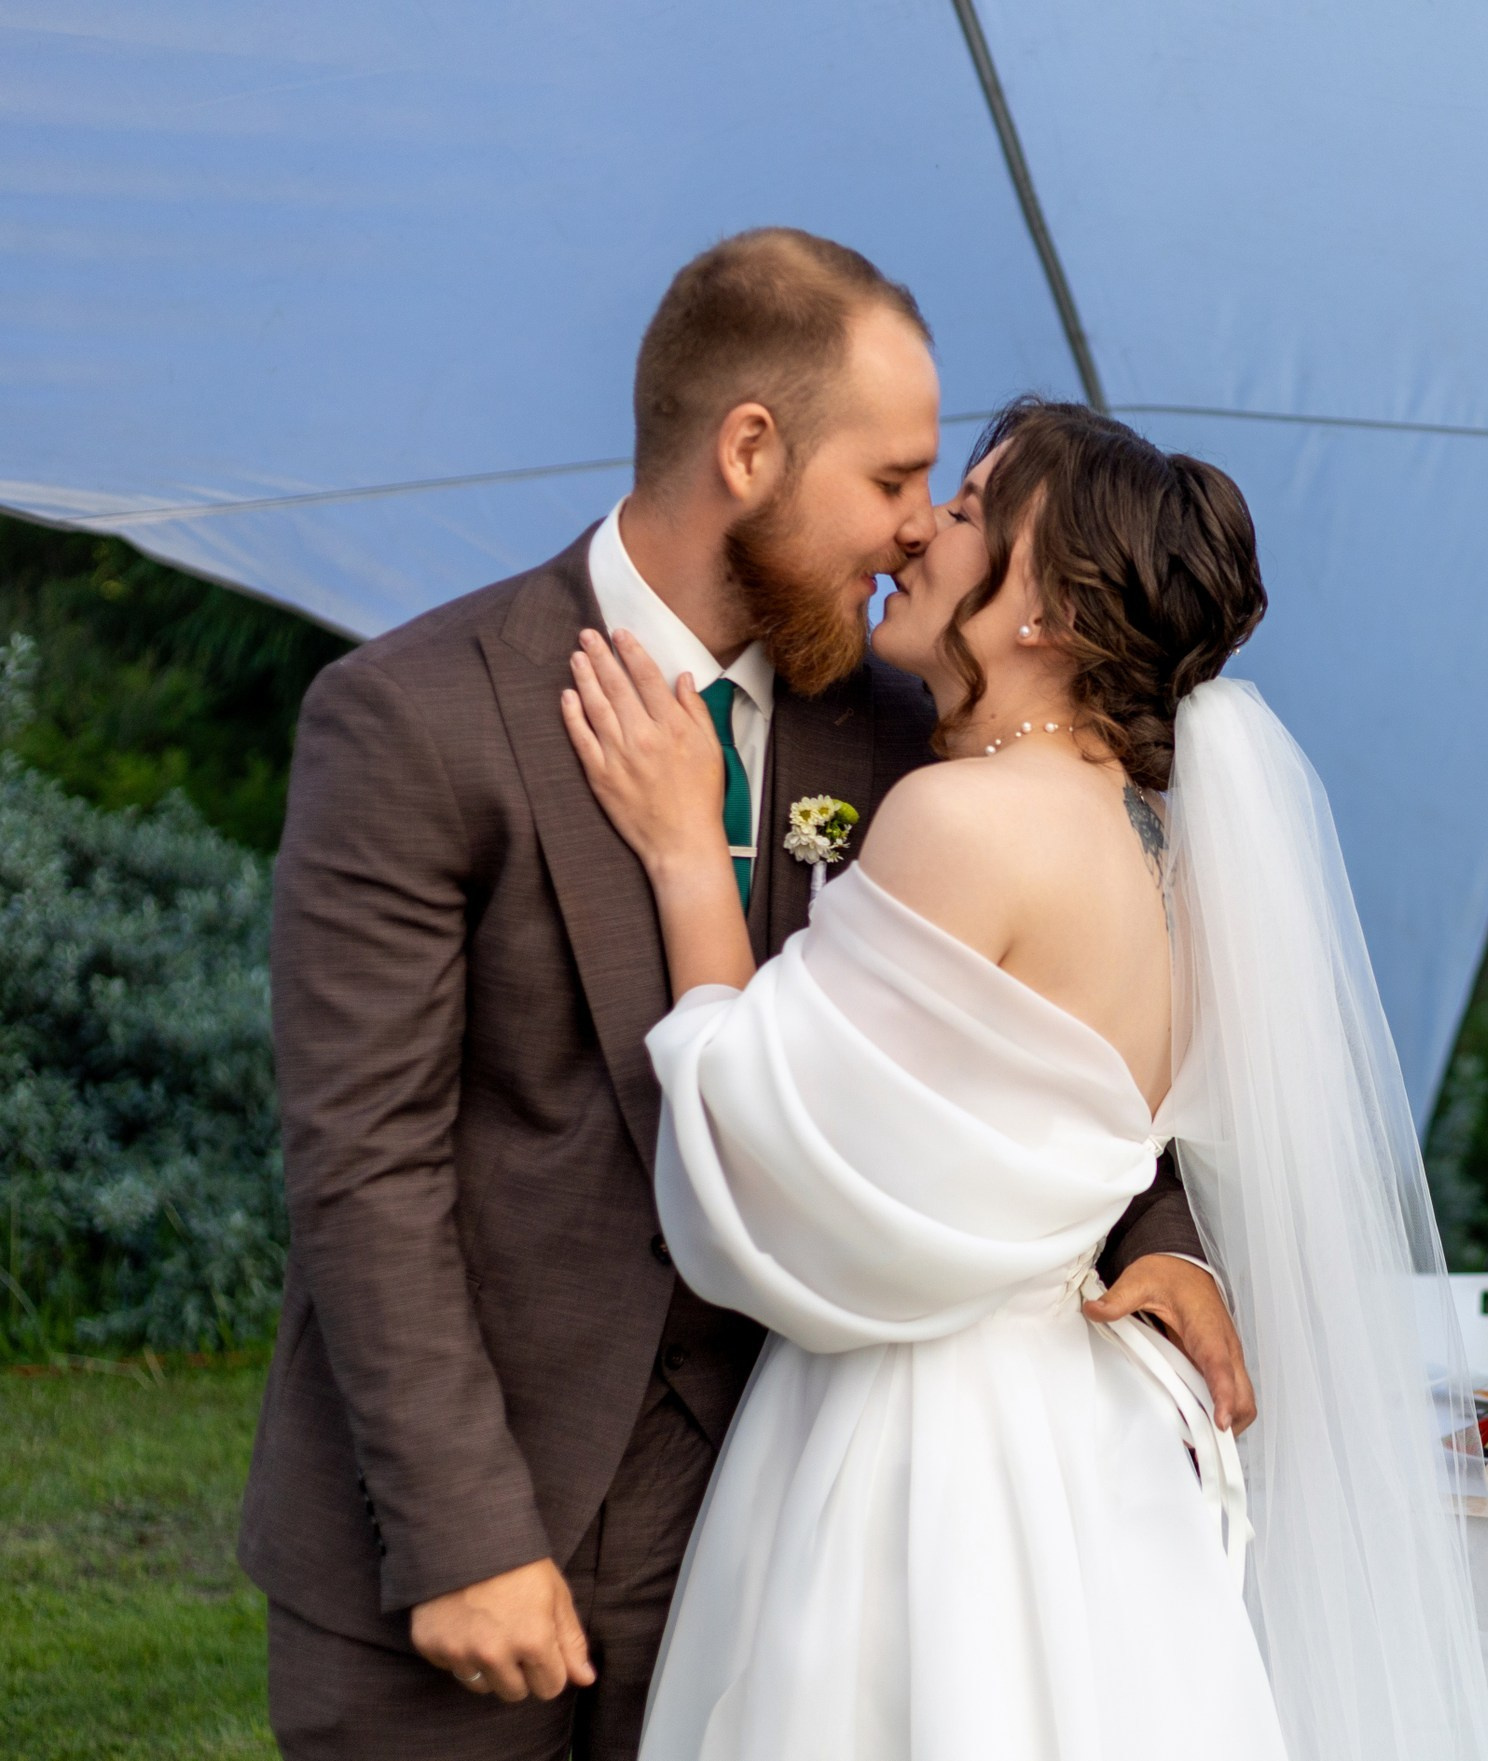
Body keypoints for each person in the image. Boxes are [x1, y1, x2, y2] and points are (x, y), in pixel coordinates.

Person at [237, 231, 1244, 1761]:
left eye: (940, 496)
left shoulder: (924, 726)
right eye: (897, 479)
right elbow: (365, 1163)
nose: (916, 532)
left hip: (771, 1536)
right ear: (752, 449)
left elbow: (1022, 1043)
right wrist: (457, 1531)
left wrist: (1163, 1241)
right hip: (460, 1543)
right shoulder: (414, 719)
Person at [564, 399, 1488, 1759]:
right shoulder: (1150, 850)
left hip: (921, 1450)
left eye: (968, 513)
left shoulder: (963, 820)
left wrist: (682, 851)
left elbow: (755, 1145)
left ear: (1046, 612)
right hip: (1082, 1438)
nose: (923, 531)